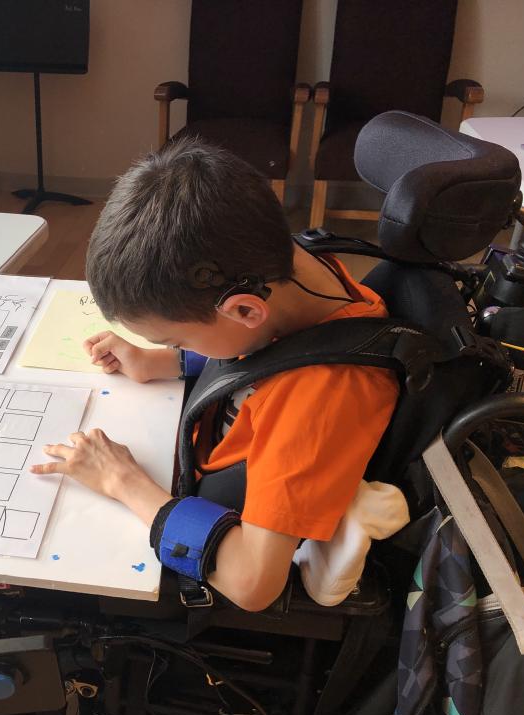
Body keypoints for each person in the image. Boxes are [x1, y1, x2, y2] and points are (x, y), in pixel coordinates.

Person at [30, 139, 400, 611]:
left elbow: (252, 583)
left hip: (214, 529)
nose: (175, 349)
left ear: (245, 308)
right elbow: (262, 347)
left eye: (177, 341)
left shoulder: (319, 399)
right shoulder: (299, 265)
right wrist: (158, 362)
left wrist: (123, 481)